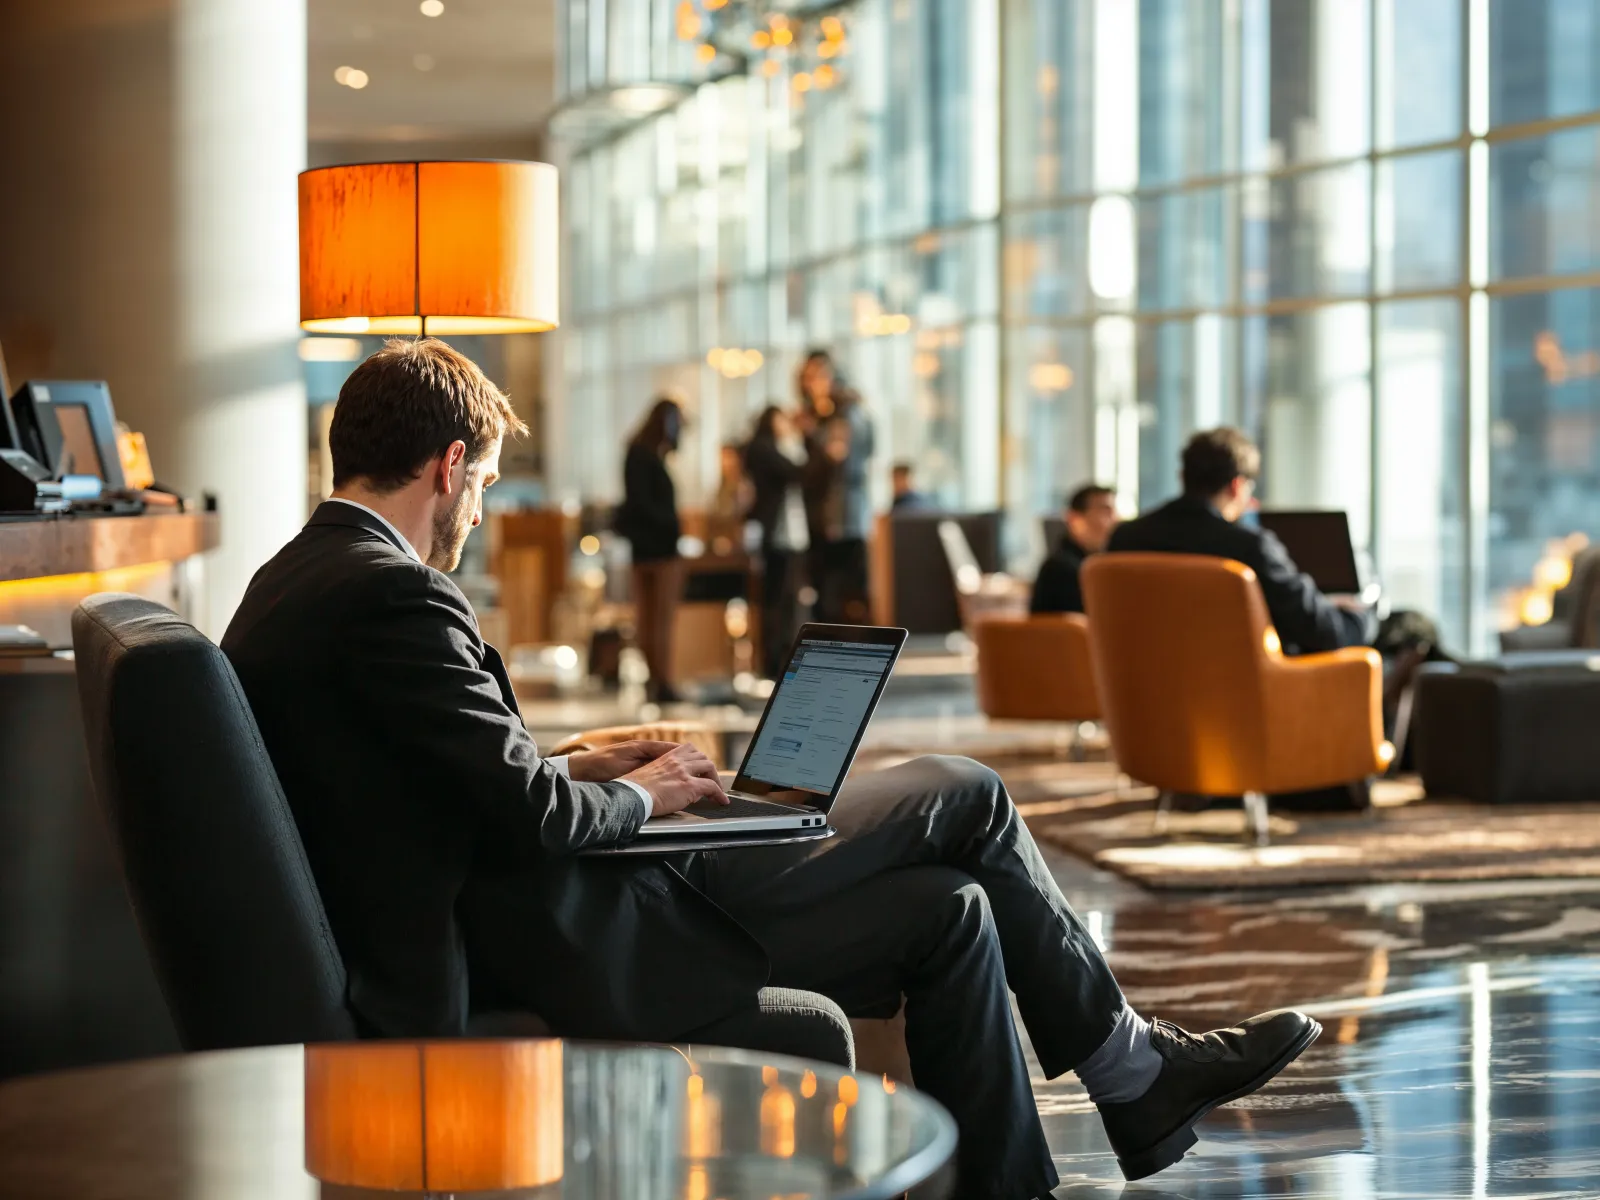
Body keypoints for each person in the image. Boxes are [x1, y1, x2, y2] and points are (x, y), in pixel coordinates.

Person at [223, 339, 1319, 1198]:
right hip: (568, 931)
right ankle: (1134, 1070)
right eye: (488, 482)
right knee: (969, 794)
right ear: (448, 464)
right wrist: (642, 794)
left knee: (950, 910)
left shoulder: (299, 577)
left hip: (539, 904)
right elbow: (522, 815)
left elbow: (447, 774)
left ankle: (1026, 1170)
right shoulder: (394, 592)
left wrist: (589, 754)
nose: (478, 510)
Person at [1109, 427, 1375, 654]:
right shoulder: (1247, 548)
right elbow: (1323, 634)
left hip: (1138, 698)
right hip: (1236, 701)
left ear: (1183, 477)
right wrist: (1360, 617)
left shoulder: (1123, 540)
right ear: (1237, 486)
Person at [615, 396, 686, 702]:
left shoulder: (638, 453)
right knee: (659, 620)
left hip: (642, 549)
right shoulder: (646, 457)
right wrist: (672, 526)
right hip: (659, 550)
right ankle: (662, 680)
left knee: (647, 619)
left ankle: (656, 680)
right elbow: (645, 505)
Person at [797, 350, 875, 623]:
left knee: (844, 597)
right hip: (817, 517)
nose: (814, 383)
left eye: (819, 375)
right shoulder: (815, 416)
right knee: (822, 595)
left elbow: (838, 458)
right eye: (809, 377)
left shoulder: (847, 414)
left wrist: (813, 432)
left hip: (842, 519)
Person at [744, 403, 809, 678]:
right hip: (776, 535)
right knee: (777, 600)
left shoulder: (766, 448)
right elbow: (796, 472)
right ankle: (776, 661)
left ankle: (783, 657)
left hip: (784, 534)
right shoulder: (765, 449)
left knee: (785, 600)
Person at [1031, 483, 1118, 615]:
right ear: (1075, 519)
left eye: (1114, 513)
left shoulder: (1095, 563)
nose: (1115, 521)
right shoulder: (1061, 569)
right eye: (1105, 512)